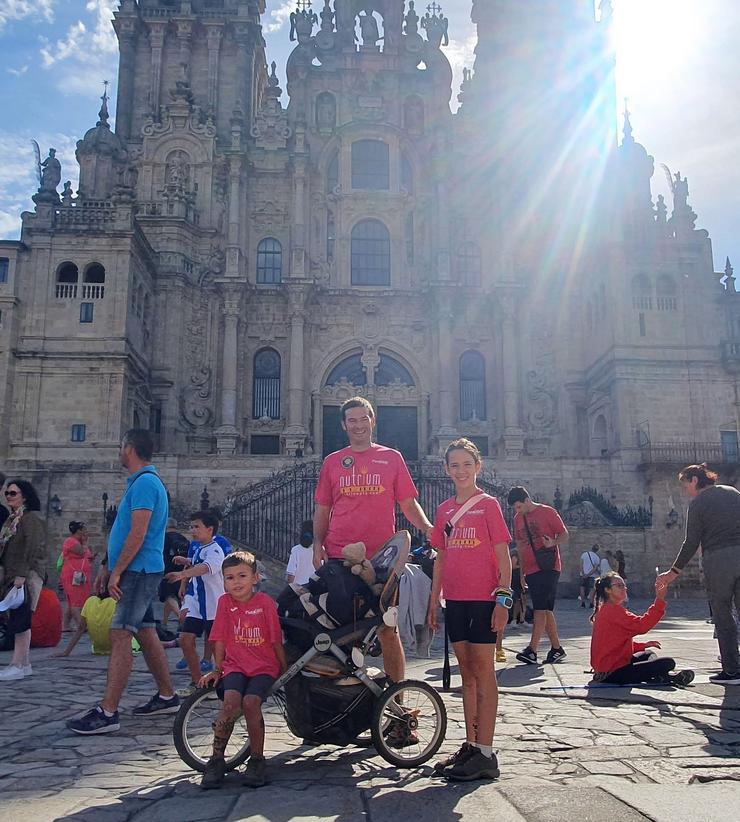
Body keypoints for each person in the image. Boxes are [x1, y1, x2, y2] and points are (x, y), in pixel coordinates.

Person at [312, 396, 433, 692]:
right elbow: (323, 510)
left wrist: (428, 528)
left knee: (387, 630)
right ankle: (347, 694)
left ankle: (397, 698)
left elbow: (407, 502)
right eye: (351, 420)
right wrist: (317, 543)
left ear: (372, 420)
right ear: (343, 425)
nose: (358, 425)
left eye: (363, 418)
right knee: (344, 630)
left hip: (383, 561)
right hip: (340, 555)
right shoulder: (332, 462)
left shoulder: (392, 458)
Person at [66, 429, 179, 734]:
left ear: (129, 448)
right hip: (135, 569)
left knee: (120, 634)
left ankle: (108, 711)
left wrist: (117, 572)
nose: (119, 451)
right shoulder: (140, 484)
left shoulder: (145, 484)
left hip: (139, 571)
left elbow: (138, 534)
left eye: (120, 446)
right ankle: (167, 696)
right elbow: (124, 529)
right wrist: (108, 565)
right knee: (145, 631)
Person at [427, 438, 512, 781]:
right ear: (446, 470)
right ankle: (472, 744)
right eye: (454, 465)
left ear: (478, 467)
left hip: (484, 597)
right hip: (457, 599)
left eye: (467, 464)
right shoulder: (444, 509)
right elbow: (440, 558)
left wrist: (503, 600)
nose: (460, 471)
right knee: (466, 673)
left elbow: (504, 555)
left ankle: (486, 753)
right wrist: (434, 601)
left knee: (483, 671)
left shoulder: (489, 505)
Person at [199, 551, 287, 790]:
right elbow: (218, 638)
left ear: (255, 578)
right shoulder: (224, 604)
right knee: (230, 704)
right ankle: (217, 759)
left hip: (263, 666)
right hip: (236, 665)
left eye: (242, 575)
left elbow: (275, 639)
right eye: (229, 577)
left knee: (250, 703)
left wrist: (284, 669)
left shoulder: (265, 604)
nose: (236, 582)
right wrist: (217, 669)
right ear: (224, 581)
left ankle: (257, 759)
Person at [657, 463, 740, 685]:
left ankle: (732, 671)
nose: (685, 491)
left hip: (718, 560)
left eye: (685, 485)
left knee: (723, 615)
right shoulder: (733, 492)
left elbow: (691, 542)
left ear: (694, 480)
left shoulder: (697, 504)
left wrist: (673, 571)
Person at [590, 571, 694, 686]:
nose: (624, 588)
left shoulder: (607, 609)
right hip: (612, 673)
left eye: (624, 585)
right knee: (668, 663)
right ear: (607, 590)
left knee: (648, 653)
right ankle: (663, 676)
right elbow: (642, 625)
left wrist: (643, 646)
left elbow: (615, 643)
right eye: (619, 586)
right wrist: (659, 599)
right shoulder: (612, 611)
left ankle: (661, 677)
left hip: (612, 666)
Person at [165, 510, 225, 695]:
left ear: (209, 529)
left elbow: (205, 567)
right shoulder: (200, 549)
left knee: (218, 647)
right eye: (192, 527)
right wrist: (187, 560)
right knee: (185, 639)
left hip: (214, 605)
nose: (193, 530)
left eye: (196, 526)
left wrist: (183, 574)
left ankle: (222, 683)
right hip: (199, 605)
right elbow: (197, 562)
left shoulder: (215, 550)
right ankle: (197, 682)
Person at [507, 486, 569, 666]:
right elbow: (519, 545)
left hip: (549, 566)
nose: (517, 511)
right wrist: (521, 572)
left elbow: (565, 535)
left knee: (541, 608)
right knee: (545, 609)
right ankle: (557, 649)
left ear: (527, 500)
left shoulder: (547, 512)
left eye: (519, 506)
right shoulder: (518, 519)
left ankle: (532, 650)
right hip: (531, 568)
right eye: (515, 508)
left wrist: (553, 542)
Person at [0, 479, 46, 681]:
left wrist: (22, 574)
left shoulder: (30, 518)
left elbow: (33, 547)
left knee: (21, 617)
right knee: (21, 617)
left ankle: (17, 663)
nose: (9, 496)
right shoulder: (13, 519)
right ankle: (24, 663)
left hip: (26, 574)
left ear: (24, 496)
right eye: (7, 493)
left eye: (13, 493)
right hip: (14, 573)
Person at [59, 521, 95, 632]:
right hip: (73, 576)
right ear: (79, 531)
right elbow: (81, 552)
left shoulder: (80, 542)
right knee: (76, 601)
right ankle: (81, 626)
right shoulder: (71, 541)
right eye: (84, 529)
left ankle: (65, 625)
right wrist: (85, 542)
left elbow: (86, 556)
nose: (86, 531)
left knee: (72, 601)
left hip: (81, 576)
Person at [160, 518, 189, 626]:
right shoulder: (184, 539)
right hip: (182, 572)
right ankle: (164, 622)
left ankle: (181, 617)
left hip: (169, 571)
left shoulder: (164, 538)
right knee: (172, 596)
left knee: (168, 596)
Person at [286, 520, 314, 586]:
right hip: (314, 588)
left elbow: (291, 573)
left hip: (298, 588)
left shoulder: (296, 550)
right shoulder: (321, 549)